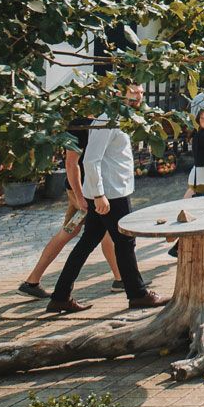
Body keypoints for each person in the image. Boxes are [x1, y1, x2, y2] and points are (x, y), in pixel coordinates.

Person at [48, 81, 164, 313]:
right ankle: (138, 294)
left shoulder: (120, 119)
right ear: (119, 93)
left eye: (141, 92)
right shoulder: (107, 120)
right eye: (133, 91)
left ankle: (60, 296)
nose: (138, 96)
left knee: (88, 242)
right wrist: (99, 195)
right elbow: (91, 160)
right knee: (125, 241)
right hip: (110, 194)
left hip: (111, 191)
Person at [16, 121, 122, 299]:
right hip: (84, 192)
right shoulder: (79, 126)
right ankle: (121, 279)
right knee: (105, 232)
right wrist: (80, 197)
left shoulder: (103, 120)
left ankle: (32, 281)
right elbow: (71, 164)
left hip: (89, 190)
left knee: (70, 231)